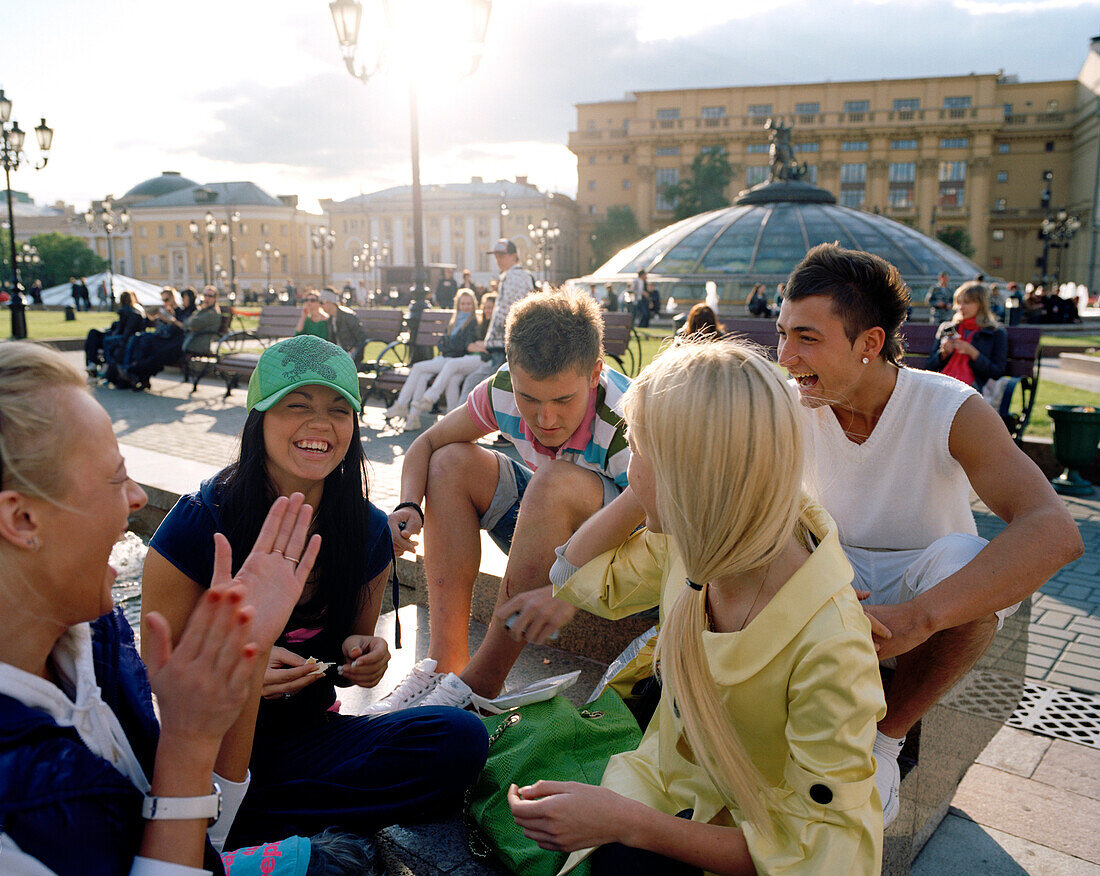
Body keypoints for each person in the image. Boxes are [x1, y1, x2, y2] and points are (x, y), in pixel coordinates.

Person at [505, 341, 885, 875]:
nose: (628, 472)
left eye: (636, 452)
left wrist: (624, 822)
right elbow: (571, 576)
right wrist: (655, 486)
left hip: (747, 844)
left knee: (622, 866)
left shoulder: (833, 649)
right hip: (670, 792)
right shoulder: (697, 537)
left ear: (691, 475)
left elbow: (819, 855)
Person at [0, 341, 349, 873]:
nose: (138, 497)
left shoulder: (94, 632)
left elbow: (204, 836)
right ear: (22, 519)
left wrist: (242, 660)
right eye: (116, 477)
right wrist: (187, 740)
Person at [776, 243, 1083, 825]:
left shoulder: (948, 407)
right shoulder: (790, 406)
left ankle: (886, 740)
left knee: (965, 556)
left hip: (924, 582)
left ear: (870, 343)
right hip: (829, 573)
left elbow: (1054, 531)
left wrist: (920, 617)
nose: (786, 357)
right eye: (783, 333)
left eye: (807, 338)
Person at [142, 335, 487, 846]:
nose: (321, 425)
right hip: (205, 743)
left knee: (459, 739)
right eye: (296, 406)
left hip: (309, 739)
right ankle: (264, 819)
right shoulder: (200, 520)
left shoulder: (368, 531)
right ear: (259, 420)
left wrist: (362, 655)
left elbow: (347, 658)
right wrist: (241, 668)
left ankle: (253, 820)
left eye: (338, 410)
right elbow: (156, 663)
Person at [368, 290, 632, 714]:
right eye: (530, 399)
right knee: (449, 460)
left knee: (553, 480)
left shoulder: (628, 417)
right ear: (513, 374)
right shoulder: (505, 387)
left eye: (563, 400)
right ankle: (444, 663)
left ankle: (480, 687)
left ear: (595, 373)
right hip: (546, 532)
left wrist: (566, 586)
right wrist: (408, 507)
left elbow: (659, 521)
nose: (544, 421)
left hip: (623, 558)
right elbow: (427, 442)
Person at [385, 289, 484, 430]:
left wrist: (448, 346)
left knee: (418, 367)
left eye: (469, 303)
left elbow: (460, 347)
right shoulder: (454, 320)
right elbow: (442, 342)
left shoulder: (473, 322)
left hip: (455, 360)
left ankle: (401, 404)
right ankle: (413, 418)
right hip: (445, 358)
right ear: (458, 305)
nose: (466, 306)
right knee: (422, 376)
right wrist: (448, 346)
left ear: (474, 305)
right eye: (463, 303)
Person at [456, 239, 536, 402]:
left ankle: (466, 425)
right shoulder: (523, 275)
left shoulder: (512, 276)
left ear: (514, 256)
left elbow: (507, 312)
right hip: (512, 343)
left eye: (502, 256)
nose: (498, 260)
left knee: (489, 388)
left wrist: (491, 340)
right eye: (497, 256)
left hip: (504, 345)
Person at [407, 292, 496, 417]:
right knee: (452, 380)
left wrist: (482, 345)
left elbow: (491, 346)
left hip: (482, 361)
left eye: (491, 307)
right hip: (470, 359)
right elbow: (469, 345)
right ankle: (451, 418)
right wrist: (481, 345)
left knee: (450, 364)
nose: (487, 310)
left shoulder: (488, 323)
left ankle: (430, 397)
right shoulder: (481, 323)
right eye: (486, 307)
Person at [924, 281, 1007, 392]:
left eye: (966, 303)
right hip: (943, 382)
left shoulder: (995, 333)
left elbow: (997, 373)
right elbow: (929, 367)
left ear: (980, 305)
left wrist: (973, 353)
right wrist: (943, 354)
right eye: (959, 302)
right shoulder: (948, 328)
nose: (960, 307)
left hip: (973, 389)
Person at [122, 287, 198, 389]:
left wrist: (171, 319)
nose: (182, 300)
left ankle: (134, 371)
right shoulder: (181, 311)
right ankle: (138, 375)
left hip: (177, 341)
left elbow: (184, 327)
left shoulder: (192, 312)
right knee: (141, 340)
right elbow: (149, 315)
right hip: (168, 339)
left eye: (184, 297)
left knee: (150, 347)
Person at [84, 289, 146, 377]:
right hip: (120, 334)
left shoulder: (130, 311)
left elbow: (125, 330)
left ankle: (95, 363)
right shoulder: (134, 310)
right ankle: (92, 363)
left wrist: (115, 331)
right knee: (93, 333)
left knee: (95, 336)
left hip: (123, 337)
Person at [320, 287, 368, 367]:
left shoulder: (347, 316)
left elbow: (362, 337)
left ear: (330, 302)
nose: (321, 305)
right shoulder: (330, 319)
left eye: (322, 302)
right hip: (339, 356)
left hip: (351, 356)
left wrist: (354, 350)